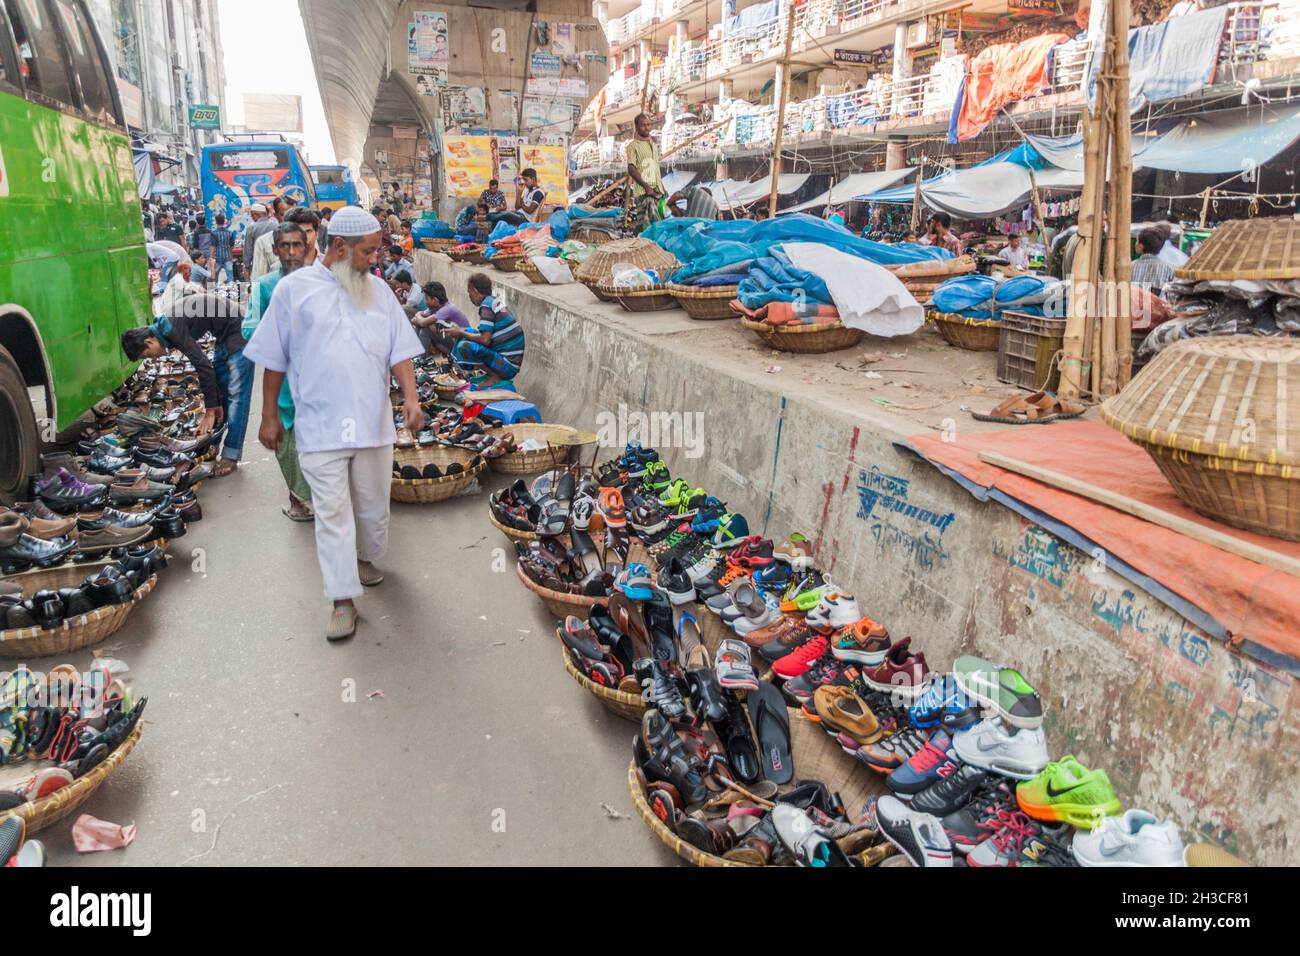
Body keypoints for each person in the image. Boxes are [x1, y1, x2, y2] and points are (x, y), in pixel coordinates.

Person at [243, 206, 425, 641]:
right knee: (332, 514)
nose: (374, 260)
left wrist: (413, 399)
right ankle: (342, 598)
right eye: (367, 252)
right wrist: (269, 415)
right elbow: (273, 357)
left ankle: (365, 556)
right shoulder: (294, 291)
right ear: (339, 247)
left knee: (373, 510)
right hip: (319, 427)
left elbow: (399, 349)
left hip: (373, 424)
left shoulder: (379, 292)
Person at [120, 292, 252, 477]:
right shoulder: (165, 326)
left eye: (148, 355)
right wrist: (215, 403)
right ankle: (212, 445)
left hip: (241, 329)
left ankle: (231, 455)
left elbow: (203, 366)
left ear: (148, 341)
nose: (154, 357)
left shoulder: (171, 328)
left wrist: (210, 410)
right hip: (225, 334)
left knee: (237, 398)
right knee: (222, 392)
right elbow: (206, 369)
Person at [243, 221, 315, 522]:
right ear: (275, 250)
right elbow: (249, 328)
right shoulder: (265, 286)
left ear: (306, 247)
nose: (291, 251)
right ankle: (298, 500)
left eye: (297, 245)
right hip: (283, 381)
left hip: (320, 378)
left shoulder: (321, 281)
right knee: (287, 445)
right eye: (284, 246)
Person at [442, 273, 525, 384]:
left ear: (475, 292)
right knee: (467, 331)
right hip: (509, 359)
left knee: (465, 346)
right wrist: (461, 332)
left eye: (469, 292)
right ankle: (465, 368)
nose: (469, 296)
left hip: (508, 365)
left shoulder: (486, 306)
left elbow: (485, 339)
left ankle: (494, 376)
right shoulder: (492, 301)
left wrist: (459, 331)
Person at [626, 112, 664, 230]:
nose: (647, 128)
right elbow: (631, 168)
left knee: (660, 224)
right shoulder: (633, 146)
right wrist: (646, 186)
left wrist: (662, 187)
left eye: (648, 125)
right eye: (643, 125)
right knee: (648, 227)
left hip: (657, 192)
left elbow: (656, 168)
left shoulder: (653, 144)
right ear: (637, 127)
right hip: (644, 193)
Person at [1130, 227, 1176, 293]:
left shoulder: (1129, 267)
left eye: (1137, 241)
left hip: (1133, 302)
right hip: (1158, 303)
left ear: (1141, 246)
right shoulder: (1169, 268)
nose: (1135, 244)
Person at [210, 214, 236, 284]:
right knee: (230, 275)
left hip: (217, 257)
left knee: (215, 275)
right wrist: (230, 254)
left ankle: (214, 291)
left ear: (216, 222)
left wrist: (211, 257)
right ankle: (231, 291)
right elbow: (232, 246)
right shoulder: (229, 233)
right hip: (228, 256)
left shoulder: (214, 233)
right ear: (224, 221)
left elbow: (213, 246)